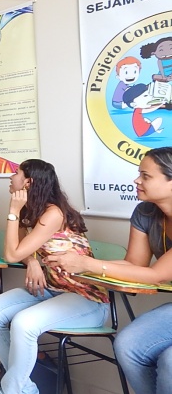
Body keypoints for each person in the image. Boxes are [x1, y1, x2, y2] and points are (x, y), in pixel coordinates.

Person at [45, 146, 172, 394]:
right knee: (128, 345)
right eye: (139, 174)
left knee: (170, 362)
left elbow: (157, 275)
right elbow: (135, 264)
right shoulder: (145, 212)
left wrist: (87, 264)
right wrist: (76, 261)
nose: (136, 181)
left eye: (146, 176)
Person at [0, 159, 110, 394]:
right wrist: (32, 261)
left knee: (23, 323)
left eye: (16, 173)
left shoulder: (53, 214)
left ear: (28, 182)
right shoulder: (31, 211)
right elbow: (17, 251)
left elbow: (11, 254)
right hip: (52, 291)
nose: (11, 177)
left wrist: (13, 211)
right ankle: (25, 389)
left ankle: (10, 390)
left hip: (86, 299)